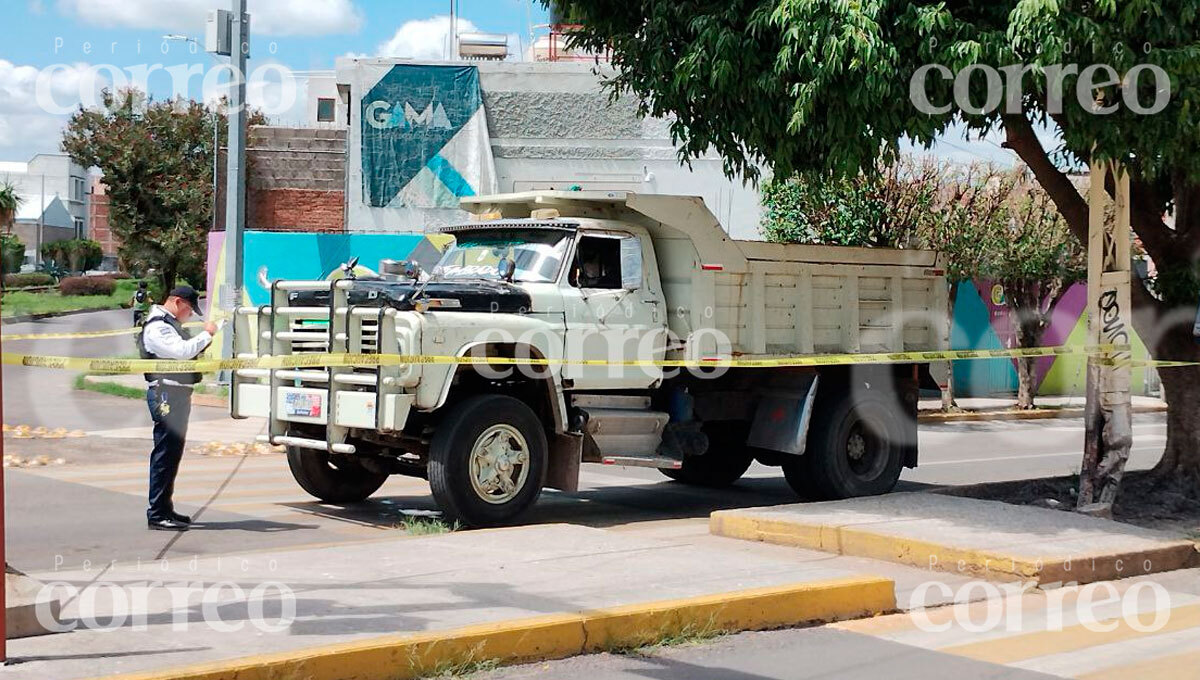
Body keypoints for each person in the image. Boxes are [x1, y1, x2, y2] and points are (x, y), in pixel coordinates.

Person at [139, 285, 217, 531]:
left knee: (172, 453)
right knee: (164, 452)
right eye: (189, 309)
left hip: (176, 394)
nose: (190, 315)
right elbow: (182, 352)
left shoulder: (169, 324)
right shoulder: (158, 326)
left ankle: (165, 507)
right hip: (165, 393)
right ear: (178, 302)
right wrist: (207, 335)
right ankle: (157, 513)